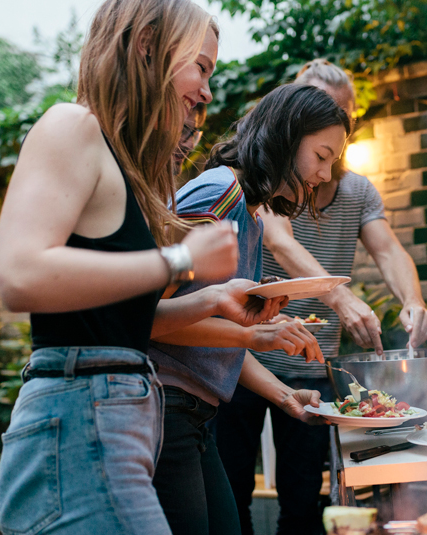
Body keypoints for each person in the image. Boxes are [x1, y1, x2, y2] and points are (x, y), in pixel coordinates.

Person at [0, 1, 290, 533]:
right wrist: (178, 259)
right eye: (200, 67)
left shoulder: (123, 167)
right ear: (148, 44)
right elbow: (19, 275)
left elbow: (116, 318)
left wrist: (213, 300)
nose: (206, 92)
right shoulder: (72, 125)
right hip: (80, 419)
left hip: (120, 421)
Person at [215, 59, 427, 535]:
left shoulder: (357, 191)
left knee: (303, 504)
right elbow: (279, 239)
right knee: (231, 498)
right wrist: (340, 297)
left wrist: (413, 301)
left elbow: (389, 249)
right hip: (241, 360)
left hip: (313, 370)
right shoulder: (268, 186)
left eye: (340, 115)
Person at [147, 83, 351, 535]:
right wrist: (250, 334)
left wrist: (285, 396)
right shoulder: (219, 195)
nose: (323, 174)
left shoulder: (249, 211)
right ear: (285, 136)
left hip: (193, 413)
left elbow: (210, 330)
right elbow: (148, 320)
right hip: (164, 407)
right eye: (320, 156)